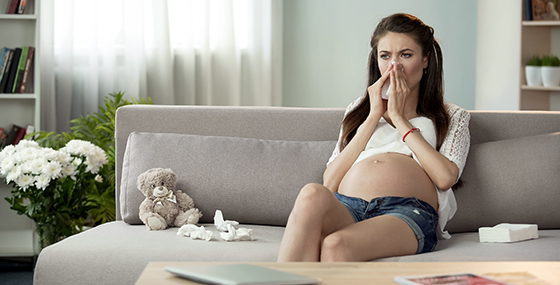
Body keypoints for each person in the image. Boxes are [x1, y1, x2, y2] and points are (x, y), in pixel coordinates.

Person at [277, 13, 471, 262]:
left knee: (336, 245)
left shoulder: (452, 115)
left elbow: (445, 178)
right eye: (385, 56)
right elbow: (330, 181)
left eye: (406, 55)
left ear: (426, 59)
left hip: (406, 213)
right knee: (311, 193)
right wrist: (373, 116)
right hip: (348, 207)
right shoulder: (357, 111)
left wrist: (399, 118)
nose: (394, 66)